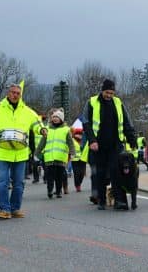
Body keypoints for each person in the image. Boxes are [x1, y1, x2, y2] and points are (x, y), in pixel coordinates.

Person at [0, 84, 46, 219]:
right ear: (8, 93)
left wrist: (42, 129)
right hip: (3, 151)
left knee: (19, 183)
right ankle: (4, 209)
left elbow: (37, 122)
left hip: (21, 152)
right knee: (2, 181)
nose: (15, 95)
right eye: (13, 92)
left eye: (18, 93)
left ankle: (15, 208)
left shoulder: (27, 111)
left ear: (20, 95)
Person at [81, 79, 136, 210]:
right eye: (107, 92)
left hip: (115, 145)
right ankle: (101, 200)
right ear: (102, 91)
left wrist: (131, 138)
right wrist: (92, 140)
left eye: (111, 93)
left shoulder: (118, 103)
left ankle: (119, 201)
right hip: (98, 145)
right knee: (100, 174)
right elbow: (86, 123)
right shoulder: (92, 102)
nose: (109, 95)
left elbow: (126, 122)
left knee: (116, 173)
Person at [35, 109, 75, 199]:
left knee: (59, 176)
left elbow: (70, 143)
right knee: (49, 176)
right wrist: (36, 153)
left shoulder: (66, 130)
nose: (55, 119)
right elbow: (42, 143)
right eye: (54, 117)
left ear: (61, 119)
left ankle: (58, 191)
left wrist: (72, 152)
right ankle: (49, 190)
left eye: (57, 117)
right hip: (49, 157)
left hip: (61, 157)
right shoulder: (47, 129)